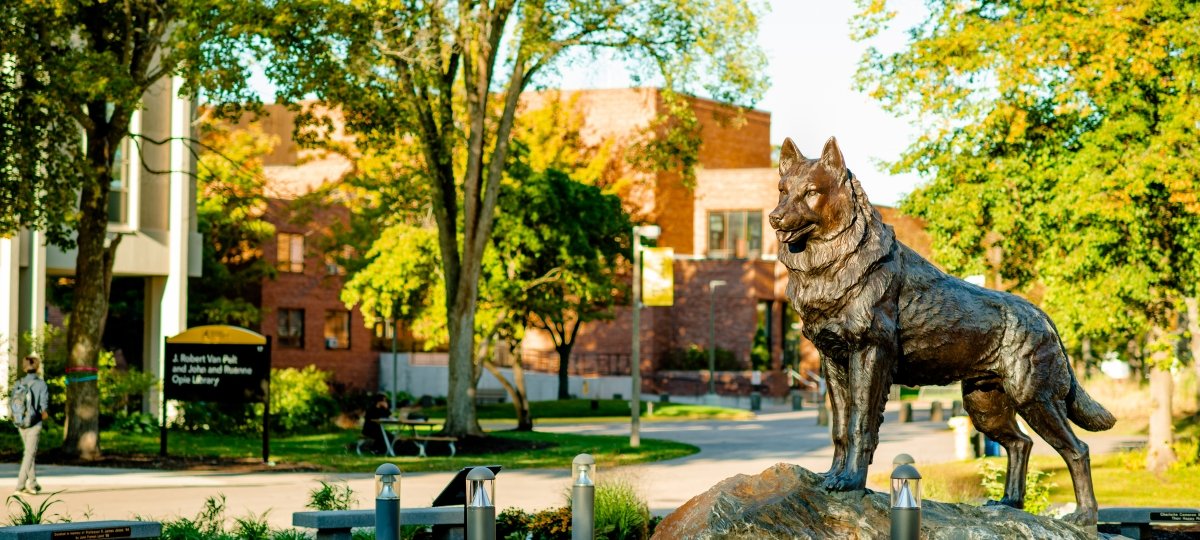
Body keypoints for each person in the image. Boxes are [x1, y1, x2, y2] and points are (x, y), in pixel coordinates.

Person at [13, 354, 49, 495]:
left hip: (21, 422)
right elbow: (43, 407)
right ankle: (20, 486)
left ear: (24, 367)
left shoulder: (19, 383)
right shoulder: (41, 384)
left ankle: (33, 484)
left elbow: (13, 402)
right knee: (29, 453)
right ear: (37, 367)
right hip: (34, 423)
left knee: (29, 452)